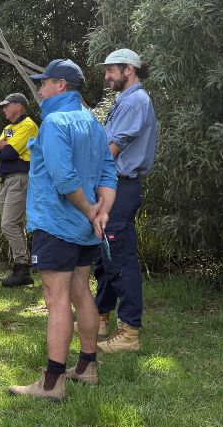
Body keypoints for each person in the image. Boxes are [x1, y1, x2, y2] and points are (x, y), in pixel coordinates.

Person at [9, 59, 117, 401]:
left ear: (62, 85)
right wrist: (100, 211)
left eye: (45, 82)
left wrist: (89, 210)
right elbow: (109, 171)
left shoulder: (54, 123)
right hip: (85, 228)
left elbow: (63, 177)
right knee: (81, 290)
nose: (40, 89)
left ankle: (51, 383)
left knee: (55, 298)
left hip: (57, 224)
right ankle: (87, 367)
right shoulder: (92, 121)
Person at [93, 49, 157, 353]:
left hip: (119, 186)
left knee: (119, 257)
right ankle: (100, 319)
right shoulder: (127, 100)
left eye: (111, 70)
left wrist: (87, 174)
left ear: (128, 69)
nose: (107, 76)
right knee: (105, 255)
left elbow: (112, 149)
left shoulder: (134, 101)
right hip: (116, 185)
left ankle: (129, 333)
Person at [0, 93, 39, 287]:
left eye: (6, 105)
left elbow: (8, 153)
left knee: (8, 224)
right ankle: (22, 269)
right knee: (13, 224)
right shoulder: (9, 128)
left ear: (18, 106)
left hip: (19, 178)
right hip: (6, 180)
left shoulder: (28, 125)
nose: (3, 109)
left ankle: (22, 268)